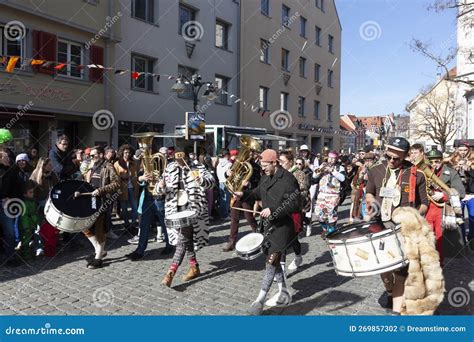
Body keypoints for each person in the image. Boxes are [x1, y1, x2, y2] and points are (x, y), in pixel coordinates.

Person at [365, 137, 429, 315]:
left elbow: (424, 203)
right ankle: (391, 291)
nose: (392, 161)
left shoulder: (417, 174)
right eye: (388, 156)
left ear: (406, 156)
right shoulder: (376, 170)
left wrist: (415, 215)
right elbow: (369, 192)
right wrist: (371, 202)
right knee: (384, 269)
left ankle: (396, 313)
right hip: (379, 226)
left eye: (397, 159)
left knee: (401, 272)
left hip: (404, 230)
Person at [235, 149, 300, 315]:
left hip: (282, 229)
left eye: (265, 165)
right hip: (267, 227)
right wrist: (244, 194)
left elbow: (294, 204)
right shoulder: (265, 176)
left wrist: (273, 210)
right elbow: (258, 192)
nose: (262, 168)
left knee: (271, 263)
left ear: (275, 162)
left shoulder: (288, 179)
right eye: (261, 165)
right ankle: (284, 292)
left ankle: (259, 301)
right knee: (275, 262)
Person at [159, 151, 216, 287]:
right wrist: (160, 187)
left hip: (193, 209)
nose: (180, 162)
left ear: (187, 157)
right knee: (187, 239)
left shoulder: (198, 167)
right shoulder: (169, 168)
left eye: (182, 159)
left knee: (182, 240)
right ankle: (194, 266)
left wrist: (201, 181)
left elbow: (212, 182)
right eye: (177, 160)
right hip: (175, 209)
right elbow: (160, 189)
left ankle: (170, 273)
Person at [424, 148, 465, 264]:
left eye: (437, 161)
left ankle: (439, 264)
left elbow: (460, 192)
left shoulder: (451, 172)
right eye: (431, 162)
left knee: (440, 240)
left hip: (442, 210)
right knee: (426, 239)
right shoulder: (424, 172)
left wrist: (444, 195)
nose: (434, 164)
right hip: (426, 209)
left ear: (442, 160)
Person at [82, 146, 120, 269]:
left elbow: (116, 184)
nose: (92, 157)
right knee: (85, 226)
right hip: (91, 200)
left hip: (102, 201)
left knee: (99, 229)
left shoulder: (108, 166)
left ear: (101, 154)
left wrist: (101, 190)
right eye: (90, 156)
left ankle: (98, 258)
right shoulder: (92, 166)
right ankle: (99, 250)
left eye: (94, 155)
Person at [222, 150, 261, 252]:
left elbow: (258, 182)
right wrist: (227, 173)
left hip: (247, 195)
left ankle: (259, 235)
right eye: (248, 153)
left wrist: (249, 183)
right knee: (234, 218)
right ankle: (231, 241)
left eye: (251, 154)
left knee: (249, 217)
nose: (249, 155)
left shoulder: (256, 167)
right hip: (236, 193)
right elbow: (227, 176)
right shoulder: (237, 164)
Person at [277, 152, 309, 272]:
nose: (280, 164)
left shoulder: (299, 174)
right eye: (279, 161)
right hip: (280, 210)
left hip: (294, 210)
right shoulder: (279, 173)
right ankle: (281, 270)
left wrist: (287, 197)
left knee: (292, 239)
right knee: (282, 239)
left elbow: (303, 192)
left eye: (282, 161)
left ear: (290, 162)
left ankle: (298, 257)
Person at [444, 140, 474, 248]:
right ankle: (462, 242)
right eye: (460, 150)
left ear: (469, 150)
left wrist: (469, 170)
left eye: (465, 150)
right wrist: (454, 170)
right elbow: (445, 176)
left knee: (472, 217)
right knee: (458, 218)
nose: (463, 152)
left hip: (471, 194)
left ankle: (471, 239)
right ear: (457, 150)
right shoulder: (451, 161)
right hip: (457, 194)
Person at [30, 157, 60, 257]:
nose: (51, 166)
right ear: (43, 165)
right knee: (39, 226)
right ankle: (38, 247)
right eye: (49, 165)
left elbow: (58, 187)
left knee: (50, 225)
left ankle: (50, 244)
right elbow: (31, 190)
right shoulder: (36, 174)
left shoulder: (53, 174)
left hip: (51, 204)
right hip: (39, 204)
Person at [313, 151, 346, 234]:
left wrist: (332, 171)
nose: (331, 160)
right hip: (322, 193)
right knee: (318, 213)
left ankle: (331, 231)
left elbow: (343, 179)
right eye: (330, 158)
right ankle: (325, 227)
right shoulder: (323, 165)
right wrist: (321, 169)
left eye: (333, 158)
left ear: (336, 159)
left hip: (333, 194)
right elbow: (314, 175)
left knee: (331, 214)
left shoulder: (340, 168)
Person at [0, 148, 22, 267]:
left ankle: (11, 257)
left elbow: (17, 187)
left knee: (10, 233)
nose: (8, 159)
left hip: (4, 205)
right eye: (5, 157)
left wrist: (10, 197)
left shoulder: (11, 171)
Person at [114, 144, 139, 231]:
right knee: (124, 209)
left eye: (129, 152)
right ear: (122, 153)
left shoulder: (134, 163)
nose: (127, 154)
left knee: (135, 208)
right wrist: (121, 177)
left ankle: (132, 224)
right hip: (122, 188)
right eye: (125, 152)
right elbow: (115, 177)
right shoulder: (117, 164)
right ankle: (126, 224)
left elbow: (137, 174)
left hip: (133, 187)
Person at [18, 180, 39, 260]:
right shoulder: (24, 203)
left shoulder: (32, 201)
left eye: (33, 192)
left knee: (29, 239)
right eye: (30, 192)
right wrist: (26, 227)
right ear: (25, 194)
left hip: (32, 224)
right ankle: (25, 255)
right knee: (25, 240)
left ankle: (29, 253)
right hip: (26, 226)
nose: (32, 194)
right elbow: (24, 216)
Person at [216, 149, 232, 220]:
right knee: (227, 199)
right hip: (227, 182)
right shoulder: (229, 164)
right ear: (226, 155)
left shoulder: (218, 164)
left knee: (222, 199)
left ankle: (222, 214)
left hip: (220, 182)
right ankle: (225, 215)